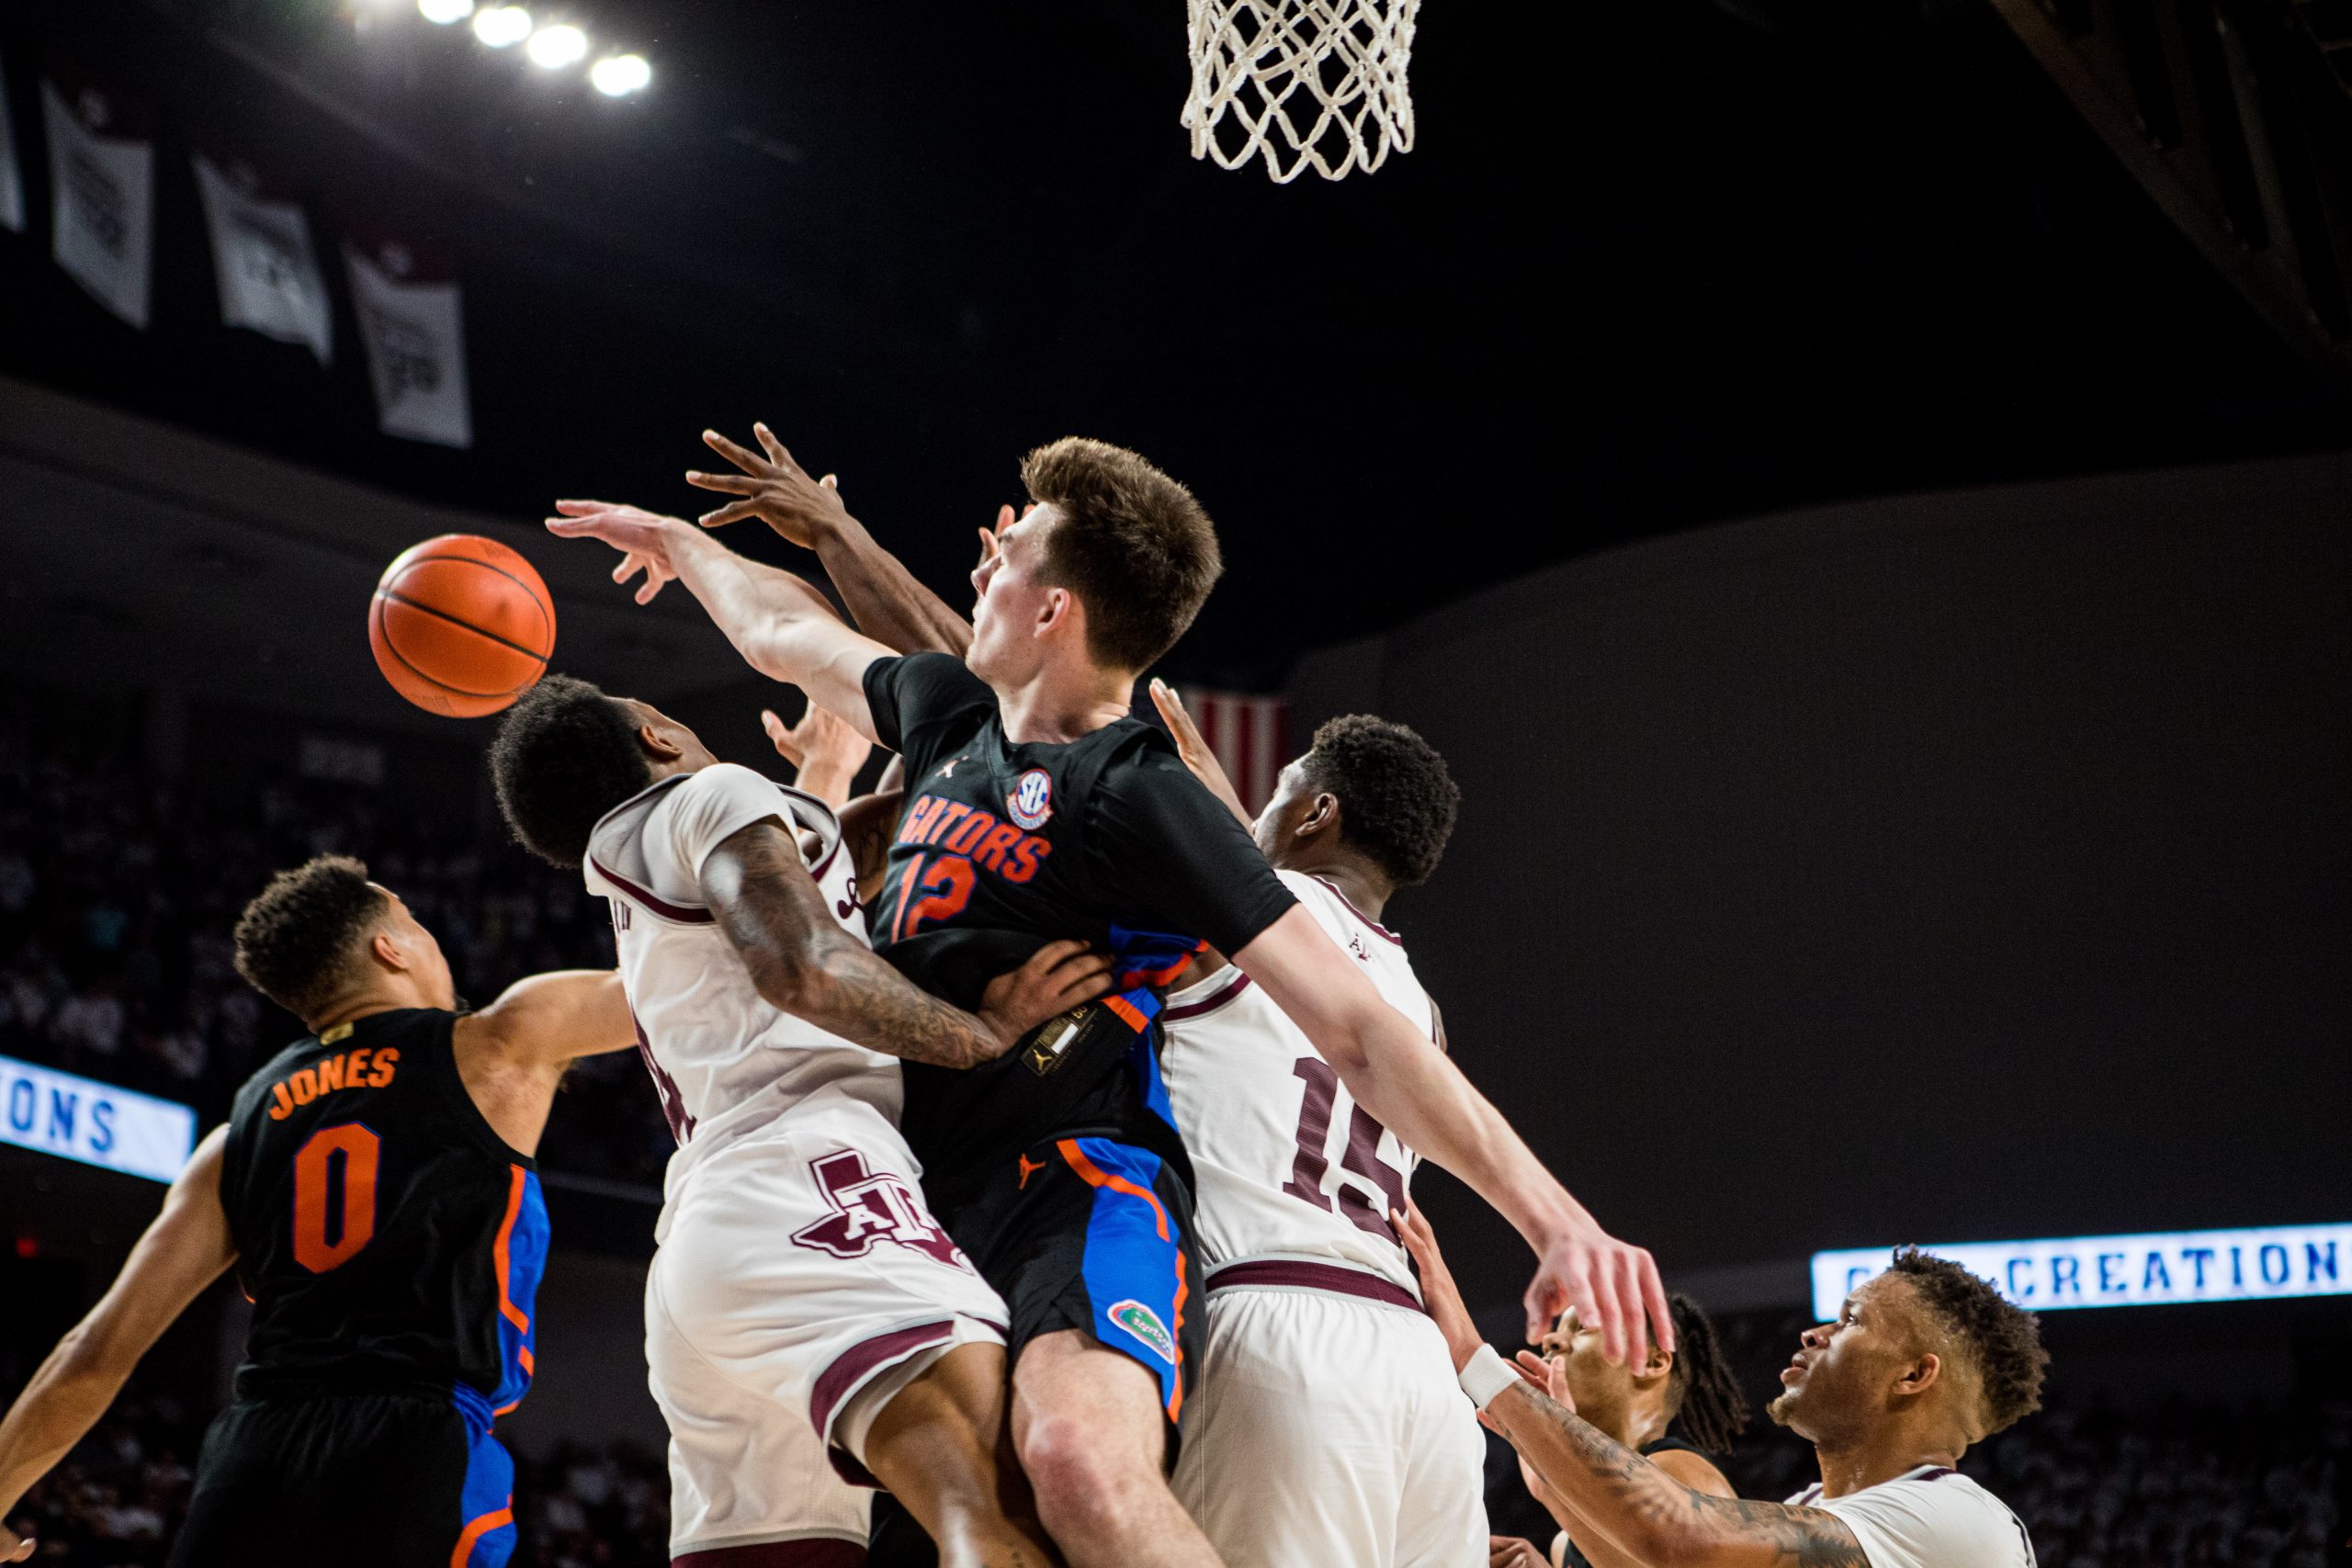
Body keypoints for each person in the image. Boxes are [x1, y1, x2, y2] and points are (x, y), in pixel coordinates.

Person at [544, 426, 1669, 1568]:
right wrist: (683, 547)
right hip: (918, 1204)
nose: (983, 565)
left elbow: (1358, 1028)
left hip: (1077, 1178)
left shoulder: (1138, 794)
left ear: (1054, 612)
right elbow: (785, 630)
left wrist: (1556, 1221)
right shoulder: (943, 714)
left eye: (1012, 550)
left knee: (1079, 1464)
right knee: (952, 1523)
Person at [490, 678, 1109, 1568]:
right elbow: (803, 966)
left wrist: (832, 776)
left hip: (712, 1242)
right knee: (993, 1499)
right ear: (660, 734)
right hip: (809, 1182)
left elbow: (814, 890)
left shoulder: (646, 873)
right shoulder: (708, 793)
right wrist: (983, 1035)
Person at [0, 855, 640, 1567]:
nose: (431, 938)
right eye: (416, 924)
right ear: (389, 948)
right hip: (411, 1446)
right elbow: (674, 981)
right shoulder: (495, 1042)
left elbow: (94, 1351)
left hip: (255, 1457)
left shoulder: (235, 1135)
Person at [1401, 1206, 2046, 1568]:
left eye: (1850, 1320)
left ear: (1914, 1374)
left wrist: (1474, 1360)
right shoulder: (1831, 1508)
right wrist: (1553, 1490)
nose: (1816, 1332)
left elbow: (1680, 1539)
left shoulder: (1954, 1519)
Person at [1487, 1296, 1749, 1568]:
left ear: (1653, 1363)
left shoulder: (1679, 1473)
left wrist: (1552, 1489)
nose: (1551, 1340)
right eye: (1558, 1329)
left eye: (1585, 1326)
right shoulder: (1564, 1543)